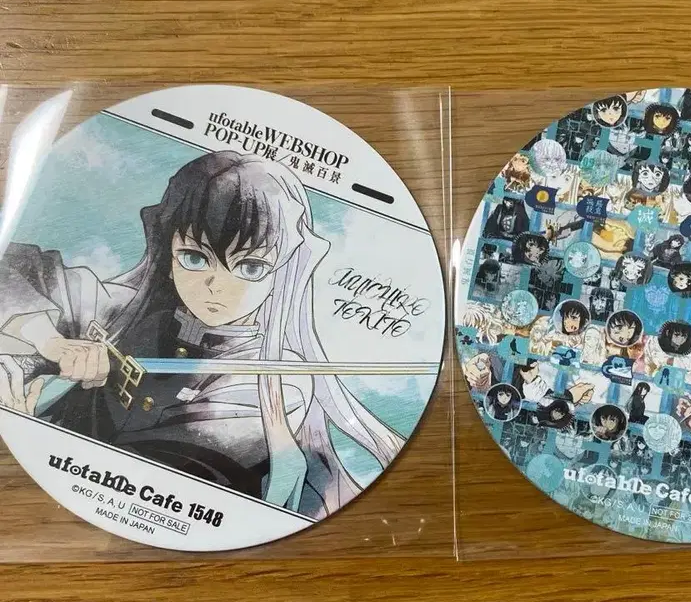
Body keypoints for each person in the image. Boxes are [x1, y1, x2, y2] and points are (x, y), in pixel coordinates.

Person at [0, 151, 403, 518]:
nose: (216, 285)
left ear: (283, 271)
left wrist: (29, 431)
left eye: (250, 268)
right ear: (168, 251)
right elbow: (13, 264)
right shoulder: (127, 311)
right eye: (194, 258)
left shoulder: (275, 385)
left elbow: (158, 484)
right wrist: (50, 341)